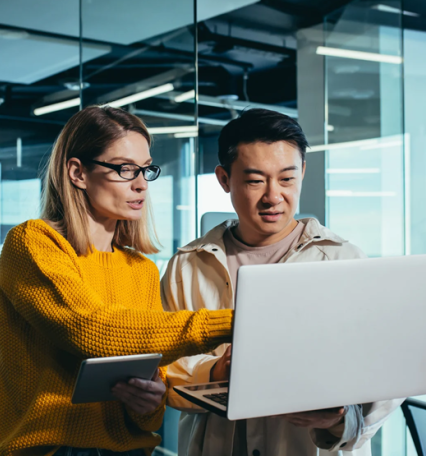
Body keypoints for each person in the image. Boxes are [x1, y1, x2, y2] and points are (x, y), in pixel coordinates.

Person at [0, 106, 235, 456]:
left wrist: (149, 401)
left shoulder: (142, 269)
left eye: (145, 170)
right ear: (77, 172)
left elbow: (150, 411)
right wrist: (233, 322)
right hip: (51, 449)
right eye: (124, 169)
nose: (140, 184)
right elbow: (89, 328)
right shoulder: (33, 243)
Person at [162, 109, 403, 456]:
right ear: (224, 179)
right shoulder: (187, 266)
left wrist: (337, 418)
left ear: (303, 172)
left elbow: (384, 378)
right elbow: (166, 374)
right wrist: (218, 371)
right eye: (255, 180)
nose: (273, 196)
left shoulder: (343, 260)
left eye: (287, 179)